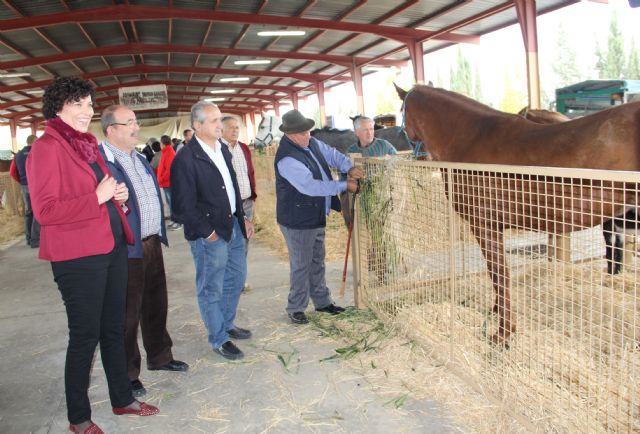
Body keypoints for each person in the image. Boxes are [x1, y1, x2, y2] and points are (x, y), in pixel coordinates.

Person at [26, 77, 158, 434]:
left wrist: (115, 195)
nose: (86, 111)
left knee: (113, 328)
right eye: (77, 104)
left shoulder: (86, 146)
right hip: (77, 257)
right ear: (58, 107)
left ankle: (122, 398)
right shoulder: (47, 148)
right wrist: (97, 198)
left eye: (88, 104)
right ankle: (78, 418)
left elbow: (95, 191)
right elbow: (46, 212)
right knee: (84, 336)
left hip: (110, 247)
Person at [99, 105, 189, 399]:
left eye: (136, 122)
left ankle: (160, 356)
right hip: (125, 248)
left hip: (151, 241)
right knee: (127, 313)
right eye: (130, 123)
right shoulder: (101, 162)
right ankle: (126, 373)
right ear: (111, 129)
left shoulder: (138, 158)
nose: (137, 128)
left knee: (156, 302)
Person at [171, 101, 255, 360]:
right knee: (211, 287)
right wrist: (208, 233)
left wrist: (243, 218)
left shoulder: (222, 149)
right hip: (210, 233)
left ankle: (227, 323)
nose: (221, 125)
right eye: (214, 121)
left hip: (233, 225)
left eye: (220, 119)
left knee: (237, 278)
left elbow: (231, 188)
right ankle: (219, 337)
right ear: (197, 126)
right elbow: (183, 207)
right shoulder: (186, 159)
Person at [275, 109, 364, 325]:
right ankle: (296, 307)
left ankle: (322, 302)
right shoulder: (287, 159)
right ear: (290, 135)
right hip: (297, 219)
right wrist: (344, 184)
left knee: (317, 261)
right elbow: (311, 187)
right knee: (301, 264)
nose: (308, 136)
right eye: (303, 133)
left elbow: (331, 154)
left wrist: (348, 167)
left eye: (308, 132)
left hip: (314, 215)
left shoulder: (310, 143)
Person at [220, 116, 257, 252]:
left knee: (245, 241)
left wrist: (252, 196)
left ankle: (239, 272)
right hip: (228, 206)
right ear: (221, 130)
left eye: (237, 127)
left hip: (246, 203)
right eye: (231, 127)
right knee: (229, 242)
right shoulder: (218, 149)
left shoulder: (243, 148)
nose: (235, 131)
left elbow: (251, 173)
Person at [14, 134, 41, 248]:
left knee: (28, 211)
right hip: (35, 185)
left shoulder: (18, 155)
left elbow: (13, 171)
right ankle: (36, 239)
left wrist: (21, 182)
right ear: (34, 142)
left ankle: (28, 238)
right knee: (38, 211)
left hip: (24, 185)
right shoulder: (37, 153)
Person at [157, 135, 181, 230]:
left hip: (169, 182)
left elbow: (170, 170)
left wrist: (161, 178)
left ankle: (178, 221)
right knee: (170, 202)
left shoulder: (169, 152)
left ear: (162, 143)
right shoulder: (166, 152)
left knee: (173, 202)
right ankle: (174, 219)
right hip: (166, 182)